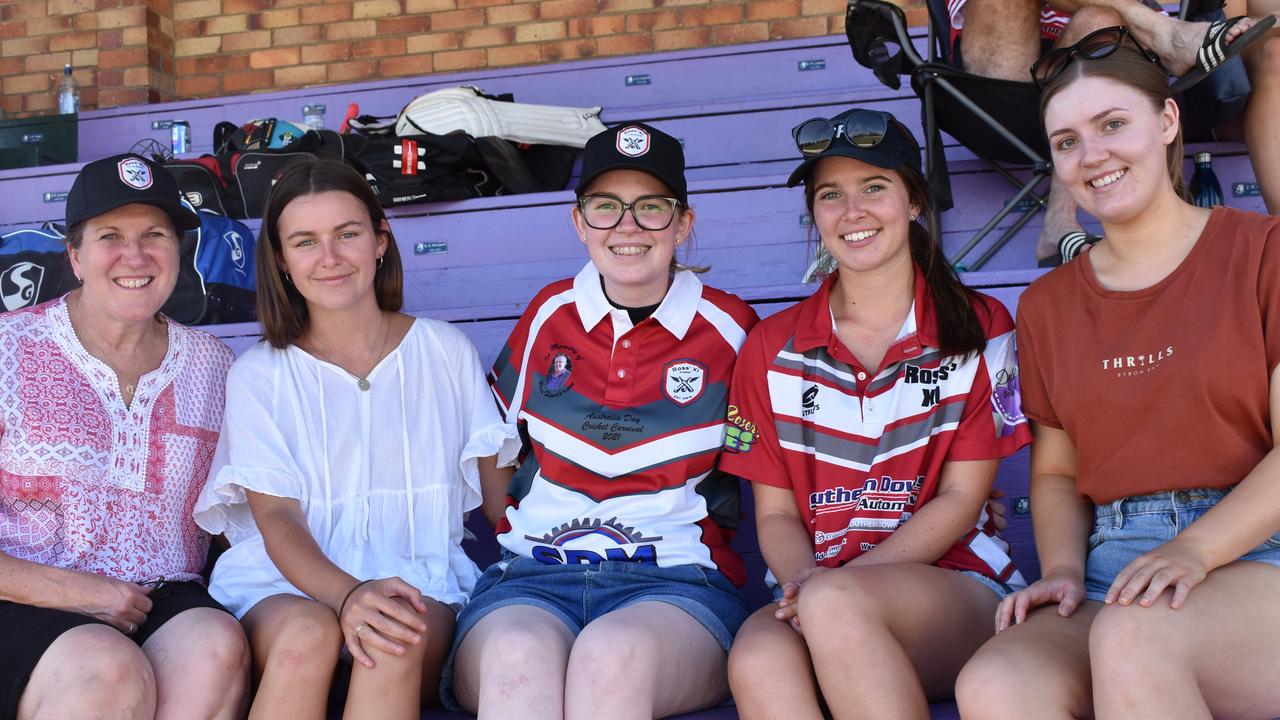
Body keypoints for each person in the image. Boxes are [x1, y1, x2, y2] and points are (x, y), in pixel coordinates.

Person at [954, 34, 1280, 718]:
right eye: (1067, 140)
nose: (1092, 154)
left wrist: (1194, 549)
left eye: (1112, 124)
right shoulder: (1047, 305)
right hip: (1112, 566)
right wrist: (1066, 572)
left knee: (1136, 637)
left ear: (1166, 122)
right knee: (997, 684)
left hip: (1257, 555)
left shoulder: (1262, 255)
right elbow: (1056, 475)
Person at [721, 109, 1033, 719]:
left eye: (874, 188)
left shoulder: (980, 324)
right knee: (756, 659)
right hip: (813, 585)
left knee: (837, 603)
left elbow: (962, 501)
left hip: (956, 585)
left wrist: (832, 588)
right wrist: (807, 585)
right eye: (830, 195)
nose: (851, 211)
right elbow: (777, 515)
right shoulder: (771, 345)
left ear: (914, 200)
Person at [445, 123, 759, 720]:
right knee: (516, 660)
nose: (628, 227)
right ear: (579, 221)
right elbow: (495, 438)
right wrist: (513, 521)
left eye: (652, 208)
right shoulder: (549, 314)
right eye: (606, 207)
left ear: (683, 223)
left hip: (677, 585)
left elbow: (788, 459)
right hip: (531, 580)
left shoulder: (734, 329)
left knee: (609, 656)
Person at [193, 157, 518, 720]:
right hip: (286, 585)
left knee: (392, 635)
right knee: (305, 635)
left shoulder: (445, 352)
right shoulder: (260, 374)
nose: (330, 257)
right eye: (305, 241)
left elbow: (500, 503)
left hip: (418, 579)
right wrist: (347, 595)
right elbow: (278, 520)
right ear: (280, 261)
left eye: (348, 234)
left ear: (380, 241)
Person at [0, 153, 250, 720]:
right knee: (106, 666)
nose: (134, 256)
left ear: (177, 251)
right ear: (76, 255)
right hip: (20, 597)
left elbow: (238, 520)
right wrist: (75, 593)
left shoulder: (216, 366)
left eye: (154, 235)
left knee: (215, 646)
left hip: (162, 594)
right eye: (110, 235)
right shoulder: (8, 348)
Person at [953, 0, 1278, 262]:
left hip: (1094, 72)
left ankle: (1059, 223)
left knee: (1098, 19)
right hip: (999, 90)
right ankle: (1166, 36)